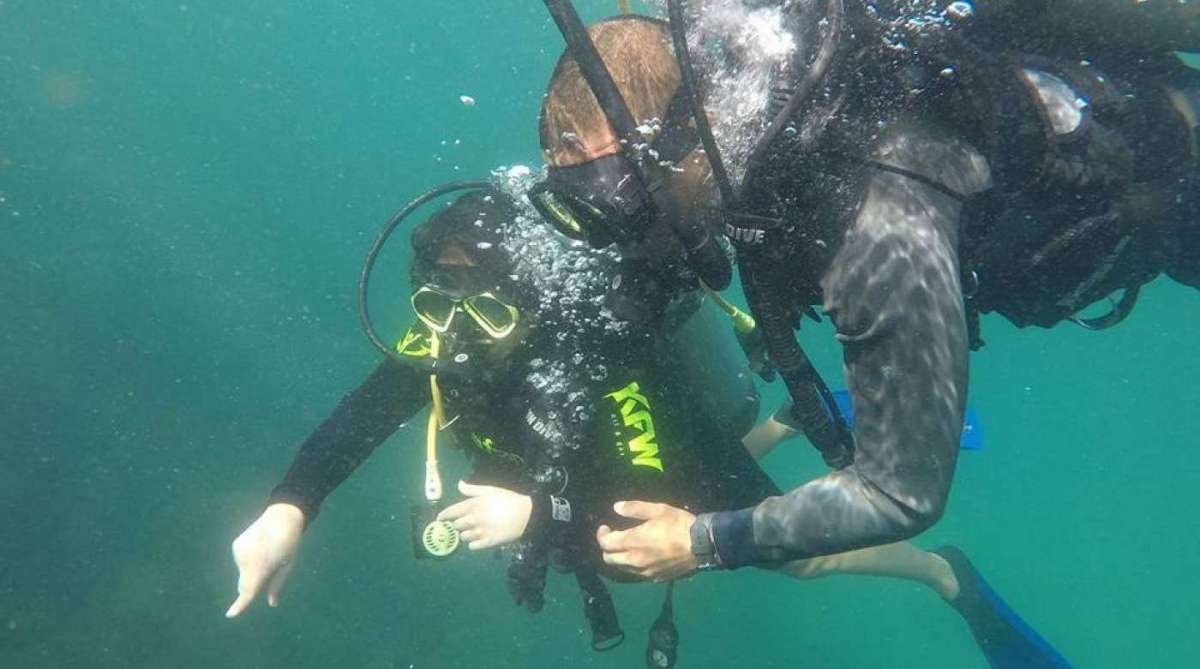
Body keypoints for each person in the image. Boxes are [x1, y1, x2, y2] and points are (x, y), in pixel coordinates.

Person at [523, 1, 1197, 656]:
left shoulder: (874, 214)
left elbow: (901, 492)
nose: (633, 236)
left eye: (629, 204)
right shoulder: (737, 92)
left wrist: (703, 539)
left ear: (684, 139)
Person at [225, 186, 1068, 667]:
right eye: (438, 302)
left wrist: (541, 517)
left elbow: (651, 518)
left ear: (530, 297)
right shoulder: (446, 332)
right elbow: (360, 416)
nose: (457, 329)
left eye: (483, 305)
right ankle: (781, 420)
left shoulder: (601, 355)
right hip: (600, 466)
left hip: (664, 457)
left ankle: (938, 570)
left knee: (798, 561)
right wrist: (287, 508)